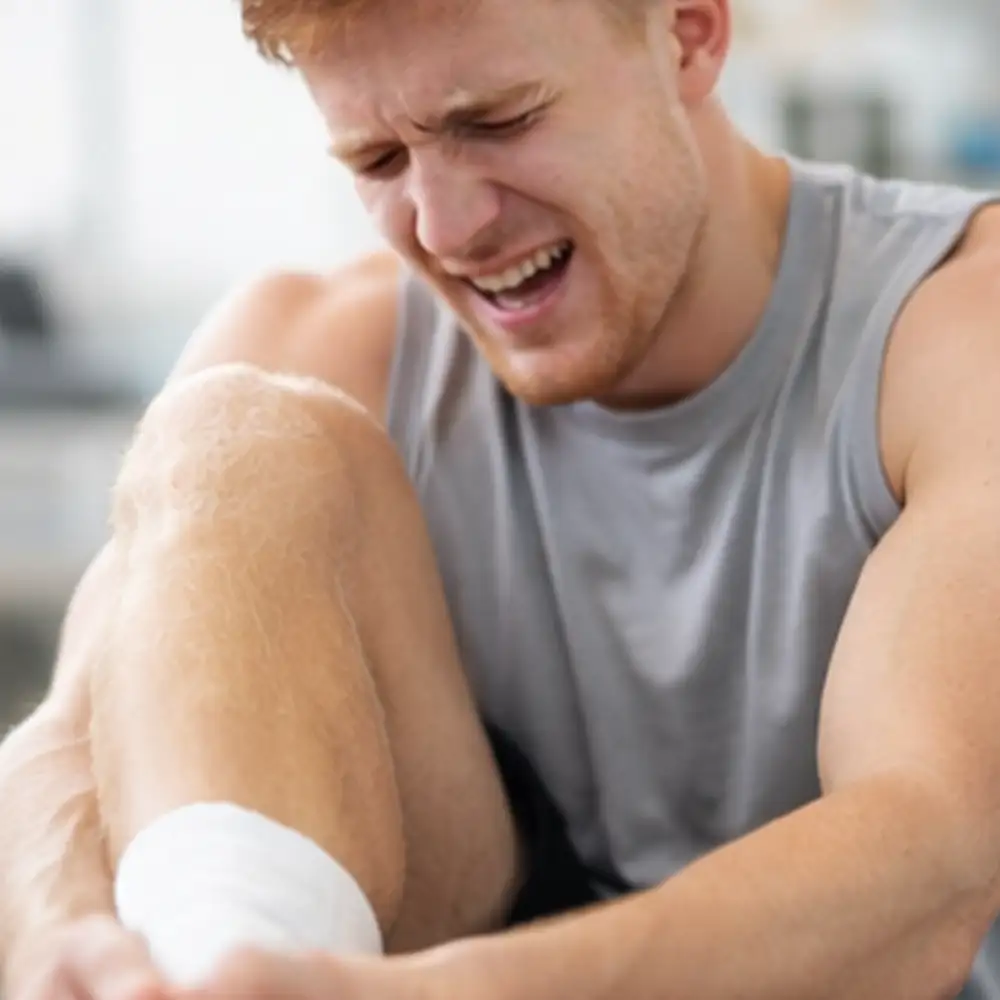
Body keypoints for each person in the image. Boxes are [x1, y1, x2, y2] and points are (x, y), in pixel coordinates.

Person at [3, 0, 1000, 996]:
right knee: (227, 429)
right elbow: (66, 743)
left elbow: (934, 863)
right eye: (379, 163)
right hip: (431, 929)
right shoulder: (324, 346)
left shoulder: (955, 323)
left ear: (689, 37)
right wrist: (65, 934)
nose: (445, 227)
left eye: (498, 121)